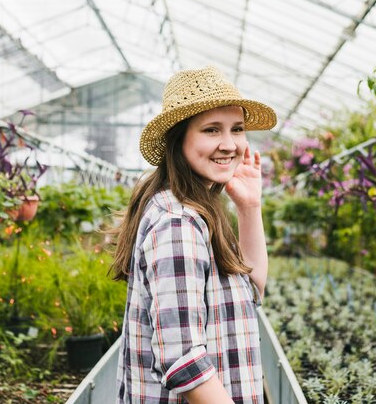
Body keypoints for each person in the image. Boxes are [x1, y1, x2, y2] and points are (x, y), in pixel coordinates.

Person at [110, 66, 276, 404]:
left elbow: (253, 288)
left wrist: (249, 207)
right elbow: (184, 362)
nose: (230, 144)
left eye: (237, 129)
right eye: (212, 130)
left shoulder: (201, 210)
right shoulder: (178, 223)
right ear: (179, 138)